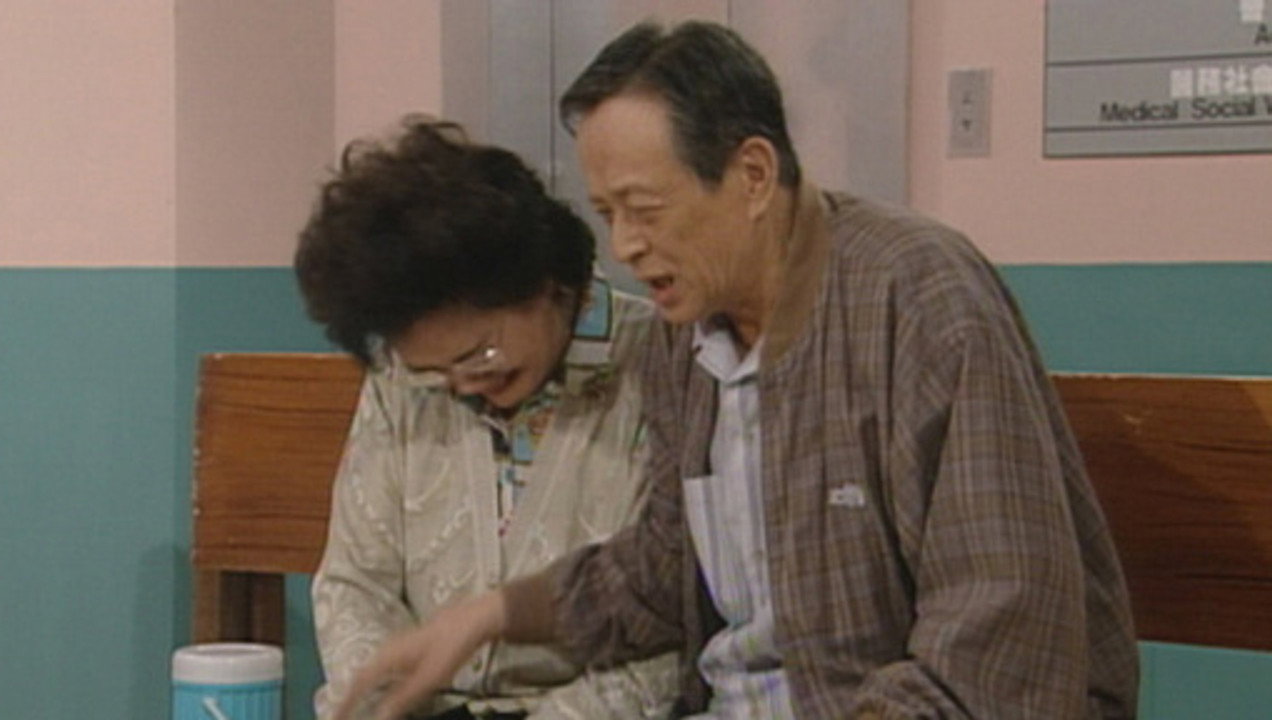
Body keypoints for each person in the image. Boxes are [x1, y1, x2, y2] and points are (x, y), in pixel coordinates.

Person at [333, 22, 1140, 720]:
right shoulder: (687, 343)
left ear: (753, 175)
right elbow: (661, 572)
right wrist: (487, 617)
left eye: (645, 210)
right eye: (607, 214)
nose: (624, 247)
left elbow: (997, 640)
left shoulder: (918, 297)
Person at [294, 117, 677, 719]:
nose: (466, 386)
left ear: (547, 284)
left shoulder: (660, 364)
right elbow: (355, 584)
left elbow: (672, 628)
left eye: (481, 354)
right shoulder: (402, 382)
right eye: (435, 371)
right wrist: (384, 704)